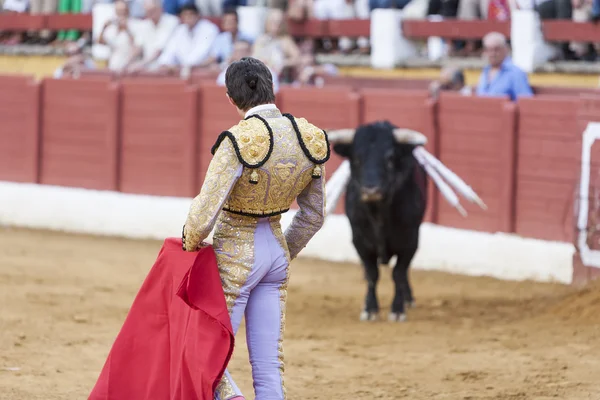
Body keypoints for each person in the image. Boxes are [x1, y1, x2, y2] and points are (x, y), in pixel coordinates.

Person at [183, 56, 329, 399]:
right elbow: (314, 215)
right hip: (276, 254)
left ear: (232, 99)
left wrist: (188, 244)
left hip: (235, 257)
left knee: (205, 359)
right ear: (271, 88)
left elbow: (203, 215)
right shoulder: (310, 137)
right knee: (268, 366)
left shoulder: (238, 141)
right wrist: (283, 251)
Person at [157, 3, 219, 75]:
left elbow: (201, 52)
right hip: (183, 69)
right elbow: (170, 50)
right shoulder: (180, 30)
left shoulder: (209, 28)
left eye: (190, 14)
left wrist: (185, 65)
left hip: (202, 69)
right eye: (185, 15)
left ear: (198, 15)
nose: (188, 17)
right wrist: (164, 63)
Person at [476, 32, 533, 101]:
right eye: (489, 50)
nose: (492, 54)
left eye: (496, 49)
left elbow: (525, 101)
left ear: (505, 49)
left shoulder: (515, 73)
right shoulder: (485, 71)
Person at [126, 0, 179, 73]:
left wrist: (140, 64)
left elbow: (159, 50)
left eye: (153, 10)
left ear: (161, 9)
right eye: (147, 11)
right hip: (148, 68)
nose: (150, 14)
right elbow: (138, 48)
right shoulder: (144, 24)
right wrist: (126, 64)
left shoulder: (171, 21)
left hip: (167, 70)